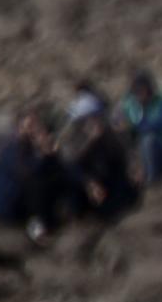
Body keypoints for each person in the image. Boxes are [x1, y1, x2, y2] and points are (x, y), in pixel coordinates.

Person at [0, 107, 73, 238]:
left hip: (25, 198)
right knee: (37, 184)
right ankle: (36, 227)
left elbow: (61, 168)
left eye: (34, 126)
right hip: (11, 203)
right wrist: (44, 155)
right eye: (28, 126)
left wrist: (52, 155)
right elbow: (26, 174)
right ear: (19, 128)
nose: (32, 130)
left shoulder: (30, 147)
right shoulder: (12, 149)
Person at [58, 89, 140, 221]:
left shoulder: (110, 132)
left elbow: (123, 153)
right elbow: (71, 164)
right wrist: (90, 142)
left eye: (95, 118)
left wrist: (133, 168)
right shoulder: (71, 137)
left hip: (107, 180)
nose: (93, 122)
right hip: (84, 182)